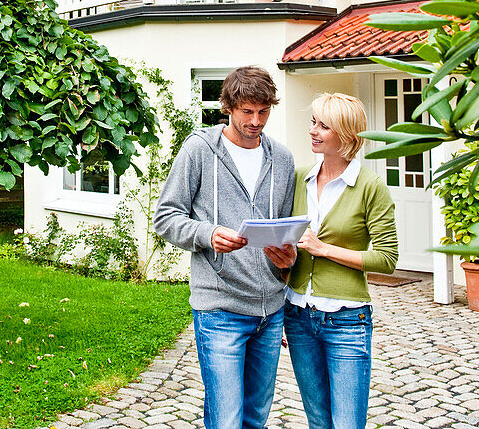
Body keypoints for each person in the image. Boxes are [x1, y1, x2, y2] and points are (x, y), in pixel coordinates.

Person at [154, 66, 299, 429]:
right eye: (247, 111)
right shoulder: (199, 150)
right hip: (219, 309)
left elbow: (282, 228)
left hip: (269, 311)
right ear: (228, 107)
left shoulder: (281, 159)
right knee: (226, 419)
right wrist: (207, 234)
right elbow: (165, 217)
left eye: (263, 112)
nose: (256, 121)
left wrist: (287, 260)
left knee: (255, 418)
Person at [284, 92, 398, 429]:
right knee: (318, 421)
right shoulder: (298, 178)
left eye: (324, 126)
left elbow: (387, 259)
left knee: (347, 423)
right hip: (299, 316)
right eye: (313, 122)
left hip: (347, 320)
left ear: (347, 136)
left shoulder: (370, 186)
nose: (313, 131)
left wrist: (325, 249)